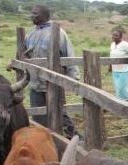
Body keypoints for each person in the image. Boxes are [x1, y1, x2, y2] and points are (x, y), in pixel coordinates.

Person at [25, 5, 79, 137]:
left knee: (59, 113)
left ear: (44, 15)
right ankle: (44, 141)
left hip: (53, 83)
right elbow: (24, 55)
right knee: (38, 115)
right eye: (31, 13)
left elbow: (69, 55)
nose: (31, 15)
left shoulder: (58, 33)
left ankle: (73, 138)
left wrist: (74, 79)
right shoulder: (30, 34)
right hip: (35, 83)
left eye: (35, 13)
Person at [108, 29, 128, 100]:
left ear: (121, 37)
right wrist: (110, 66)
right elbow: (111, 56)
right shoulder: (112, 44)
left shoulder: (125, 45)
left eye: (116, 35)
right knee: (118, 89)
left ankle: (127, 104)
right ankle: (120, 105)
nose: (114, 37)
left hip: (124, 70)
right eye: (113, 35)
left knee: (122, 88)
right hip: (115, 70)